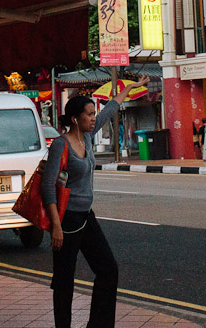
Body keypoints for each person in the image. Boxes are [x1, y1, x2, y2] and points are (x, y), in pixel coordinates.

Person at [42, 76, 150, 328]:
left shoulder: (87, 138)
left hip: (85, 217)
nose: (93, 118)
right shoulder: (61, 145)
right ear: (74, 119)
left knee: (108, 269)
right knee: (64, 282)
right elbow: (48, 187)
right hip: (66, 220)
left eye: (93, 114)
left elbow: (111, 108)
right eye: (88, 114)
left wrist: (129, 89)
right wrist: (56, 227)